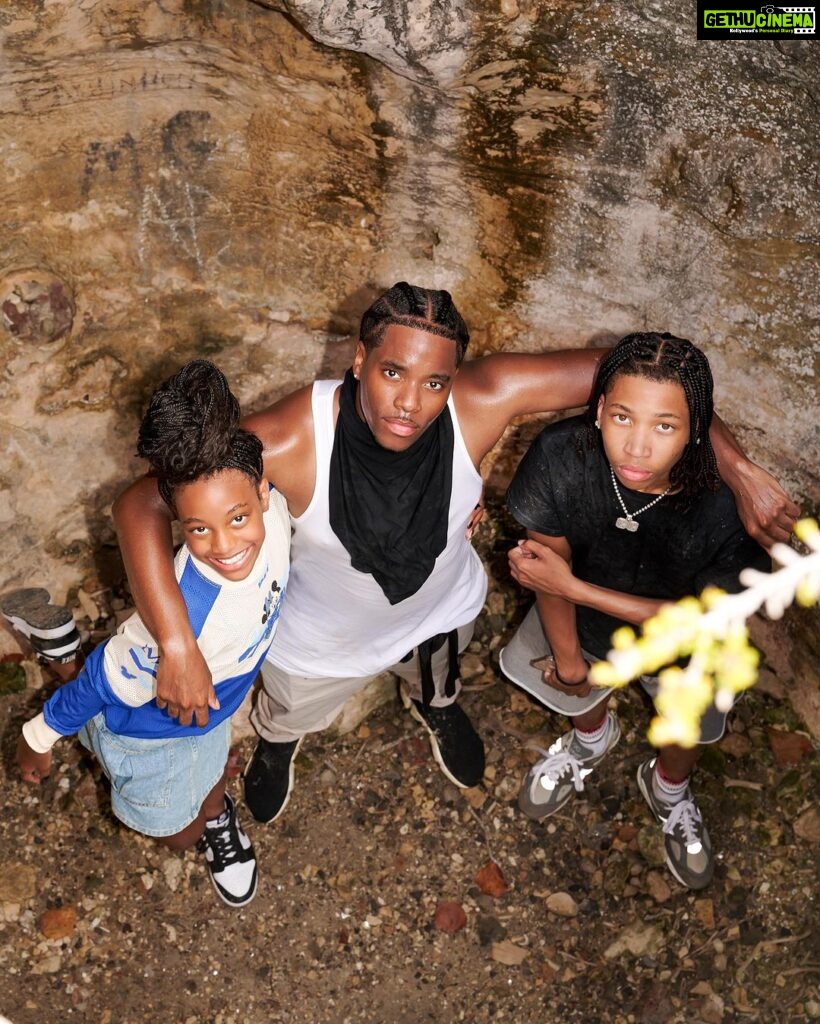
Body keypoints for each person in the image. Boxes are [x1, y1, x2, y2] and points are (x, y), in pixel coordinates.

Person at [111, 285, 798, 827]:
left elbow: (639, 373)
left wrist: (735, 471)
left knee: (439, 677)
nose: (410, 404)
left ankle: (435, 706)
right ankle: (282, 743)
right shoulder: (290, 440)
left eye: (433, 382)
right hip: (319, 638)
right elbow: (142, 503)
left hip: (439, 609)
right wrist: (178, 646)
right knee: (292, 708)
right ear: (358, 360)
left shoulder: (479, 401)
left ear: (455, 379)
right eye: (390, 372)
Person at [501, 331, 773, 890]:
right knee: (563, 675)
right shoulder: (562, 454)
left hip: (683, 644)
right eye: (623, 417)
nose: (638, 447)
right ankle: (592, 736)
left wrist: (579, 590)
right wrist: (573, 662)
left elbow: (701, 622)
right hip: (582, 621)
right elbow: (544, 574)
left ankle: (669, 788)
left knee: (691, 718)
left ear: (696, 430)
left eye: (664, 426)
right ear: (599, 410)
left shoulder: (724, 503)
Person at [16, 360, 291, 908]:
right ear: (178, 523)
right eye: (198, 530)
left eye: (237, 518)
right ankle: (68, 660)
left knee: (209, 776)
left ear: (263, 492)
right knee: (175, 828)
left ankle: (61, 646)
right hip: (151, 738)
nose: (224, 544)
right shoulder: (183, 615)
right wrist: (37, 740)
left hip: (209, 709)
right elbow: (104, 680)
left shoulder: (279, 512)